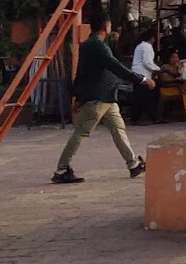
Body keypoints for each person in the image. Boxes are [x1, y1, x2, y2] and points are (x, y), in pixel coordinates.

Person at [52, 16, 154, 184]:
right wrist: (141, 79)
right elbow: (115, 66)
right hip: (98, 97)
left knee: (118, 129)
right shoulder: (99, 47)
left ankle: (133, 163)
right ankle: (62, 168)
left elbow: (82, 73)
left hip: (107, 97)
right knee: (82, 132)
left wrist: (77, 95)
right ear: (106, 27)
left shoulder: (88, 45)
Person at [130, 29, 160, 124]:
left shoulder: (140, 46)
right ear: (152, 38)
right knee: (144, 96)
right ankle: (147, 117)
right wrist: (158, 69)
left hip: (137, 73)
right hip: (143, 74)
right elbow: (147, 62)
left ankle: (138, 117)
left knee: (139, 96)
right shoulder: (147, 47)